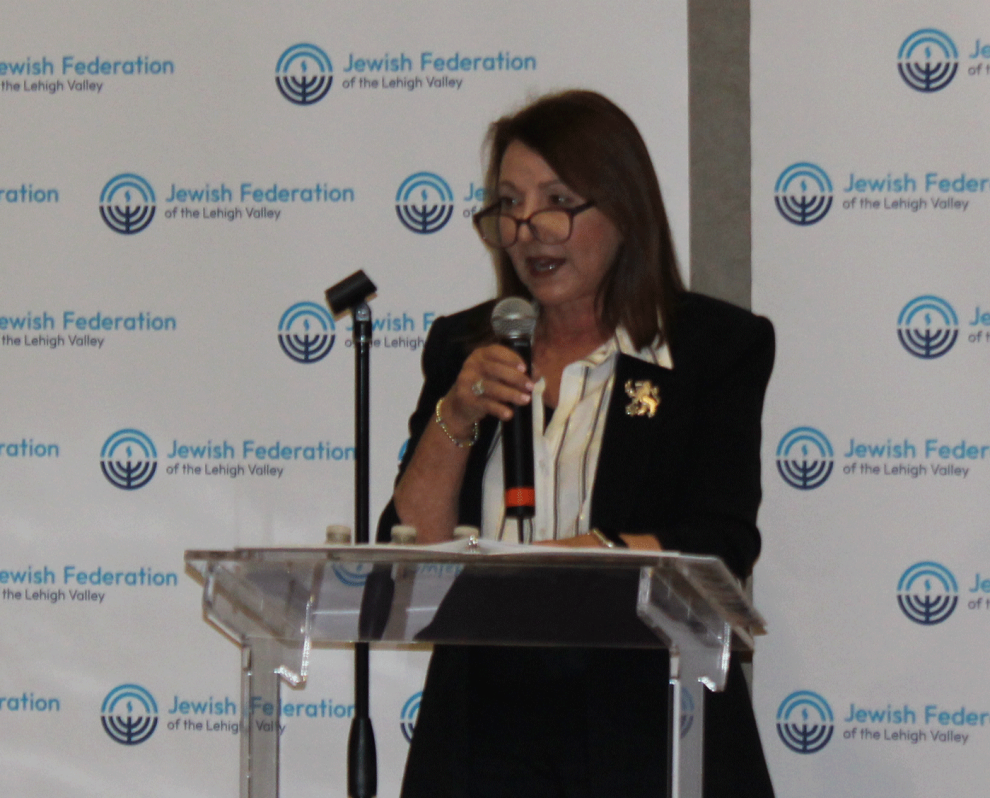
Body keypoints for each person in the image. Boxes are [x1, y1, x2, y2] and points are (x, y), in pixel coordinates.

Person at [377, 89, 775, 798]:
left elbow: (720, 544)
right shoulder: (463, 347)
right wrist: (455, 415)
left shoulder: (711, 349)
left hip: (650, 719)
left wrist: (577, 560)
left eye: (557, 201)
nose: (529, 229)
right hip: (479, 731)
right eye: (509, 205)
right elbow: (408, 547)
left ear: (624, 209)